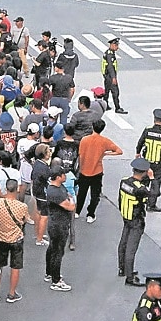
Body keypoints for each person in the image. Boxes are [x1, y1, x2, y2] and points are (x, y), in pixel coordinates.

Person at [76, 119, 123, 222]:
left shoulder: (84, 140)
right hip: (97, 171)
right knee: (95, 195)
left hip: (84, 170)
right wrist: (106, 154)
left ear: (93, 127)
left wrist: (79, 168)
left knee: (81, 193)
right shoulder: (105, 141)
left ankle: (77, 211)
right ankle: (91, 214)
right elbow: (119, 151)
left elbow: (80, 155)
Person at [118, 158, 151, 286]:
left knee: (123, 243)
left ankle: (122, 268)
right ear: (144, 172)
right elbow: (154, 193)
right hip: (136, 219)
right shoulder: (140, 189)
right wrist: (152, 179)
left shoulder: (124, 182)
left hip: (126, 216)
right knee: (131, 248)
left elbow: (120, 198)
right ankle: (130, 277)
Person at [44, 163, 75, 291]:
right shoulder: (54, 192)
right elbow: (70, 206)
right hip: (58, 225)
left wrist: (69, 198)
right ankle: (56, 280)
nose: (65, 176)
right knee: (58, 251)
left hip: (57, 223)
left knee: (52, 248)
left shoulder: (59, 187)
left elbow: (67, 195)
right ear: (58, 177)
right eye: (63, 174)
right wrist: (72, 201)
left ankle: (50, 272)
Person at [101, 37, 126, 114]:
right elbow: (110, 67)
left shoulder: (108, 53)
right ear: (112, 45)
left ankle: (105, 106)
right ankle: (117, 108)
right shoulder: (110, 55)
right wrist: (113, 78)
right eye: (116, 45)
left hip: (107, 76)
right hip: (110, 76)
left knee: (107, 91)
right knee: (115, 92)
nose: (117, 47)